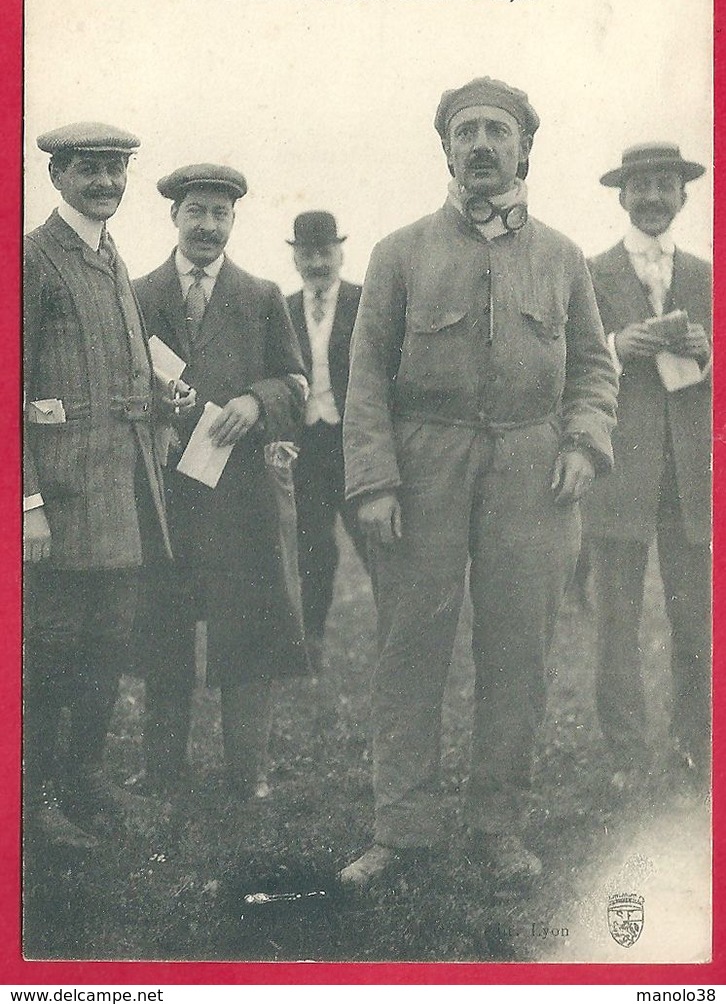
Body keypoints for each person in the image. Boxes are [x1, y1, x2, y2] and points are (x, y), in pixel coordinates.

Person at [341, 78, 618, 890]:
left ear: (525, 149)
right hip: (426, 464)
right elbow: (365, 380)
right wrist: (377, 483)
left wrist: (583, 442)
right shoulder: (399, 252)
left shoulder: (563, 257)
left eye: (499, 131)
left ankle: (497, 823)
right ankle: (402, 827)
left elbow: (596, 370)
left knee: (519, 651)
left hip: (534, 471)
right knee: (410, 645)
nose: (484, 146)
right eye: (467, 133)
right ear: (448, 151)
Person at [133, 164, 309, 800]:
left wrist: (257, 402)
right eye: (196, 213)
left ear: (233, 221)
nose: (207, 226)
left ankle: (248, 771)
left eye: (220, 214)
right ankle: (160, 769)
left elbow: (296, 382)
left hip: (239, 499)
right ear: (174, 217)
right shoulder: (138, 294)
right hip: (164, 496)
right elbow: (121, 382)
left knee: (247, 628)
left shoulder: (260, 297)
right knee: (164, 630)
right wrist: (157, 408)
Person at [23, 122, 173, 849]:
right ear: (57, 176)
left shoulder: (111, 256)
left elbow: (114, 371)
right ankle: (36, 801)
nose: (107, 182)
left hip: (121, 501)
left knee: (107, 648)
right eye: (91, 170)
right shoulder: (31, 258)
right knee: (51, 652)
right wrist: (27, 506)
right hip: (57, 505)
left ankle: (85, 782)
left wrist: (158, 398)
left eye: (117, 169)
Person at [585, 143, 711, 791]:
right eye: (643, 187)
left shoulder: (707, 276)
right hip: (617, 473)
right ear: (622, 197)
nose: (655, 197)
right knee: (617, 622)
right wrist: (614, 346)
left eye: (666, 185)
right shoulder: (589, 273)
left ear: (685, 196)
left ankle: (695, 745)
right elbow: (565, 364)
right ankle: (627, 755)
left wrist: (709, 353)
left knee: (695, 618)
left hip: (691, 478)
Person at [286, 211, 368, 672]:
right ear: (296, 258)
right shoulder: (281, 306)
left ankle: (401, 642)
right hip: (306, 449)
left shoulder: (365, 301)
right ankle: (311, 641)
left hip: (355, 443)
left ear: (340, 253)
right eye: (307, 254)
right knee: (312, 547)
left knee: (374, 541)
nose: (317, 262)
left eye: (324, 252)